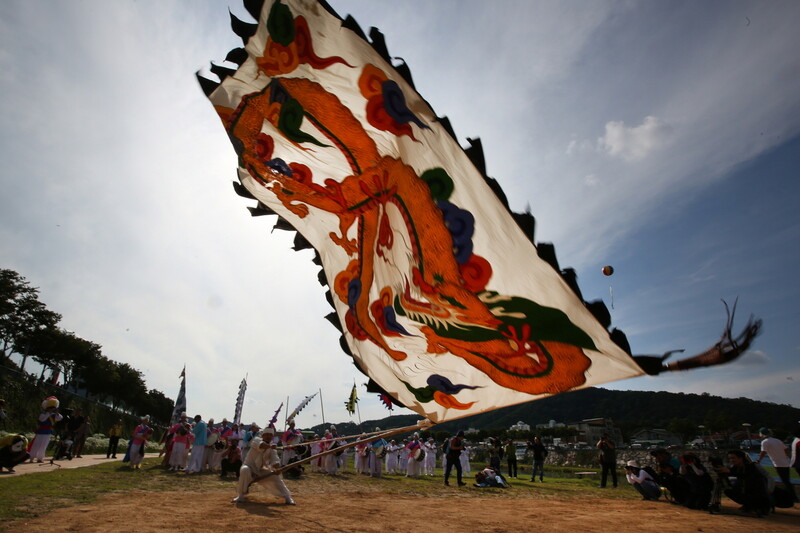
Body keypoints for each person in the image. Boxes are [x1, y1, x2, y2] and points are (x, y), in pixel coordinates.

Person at [233, 428, 295, 505]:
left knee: (275, 477)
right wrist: (270, 447)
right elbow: (262, 445)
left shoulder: (272, 449)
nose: (268, 436)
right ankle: (241, 496)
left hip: (259, 470)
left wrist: (278, 469)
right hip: (249, 467)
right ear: (263, 435)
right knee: (245, 469)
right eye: (267, 435)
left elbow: (275, 461)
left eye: (270, 435)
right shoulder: (256, 440)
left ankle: (287, 497)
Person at [722, 449, 771, 515]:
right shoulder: (735, 467)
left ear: (741, 458)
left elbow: (748, 477)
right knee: (728, 491)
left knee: (750, 488)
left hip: (758, 494)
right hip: (748, 492)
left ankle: (756, 506)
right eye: (730, 458)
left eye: (733, 458)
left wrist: (730, 472)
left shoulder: (751, 466)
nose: (731, 460)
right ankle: (748, 505)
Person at [757, 427, 796, 502]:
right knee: (786, 480)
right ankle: (791, 495)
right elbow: (786, 449)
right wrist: (789, 457)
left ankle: (793, 497)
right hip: (785, 462)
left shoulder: (765, 442)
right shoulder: (778, 440)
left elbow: (763, 452)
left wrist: (758, 460)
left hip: (778, 463)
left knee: (785, 481)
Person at [29, 396, 63, 463]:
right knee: (37, 444)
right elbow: (42, 419)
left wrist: (56, 413)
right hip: (41, 430)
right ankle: (31, 457)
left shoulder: (54, 415)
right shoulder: (43, 414)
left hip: (48, 431)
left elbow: (60, 418)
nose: (52, 409)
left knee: (44, 445)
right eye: (50, 408)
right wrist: (49, 413)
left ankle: (40, 458)